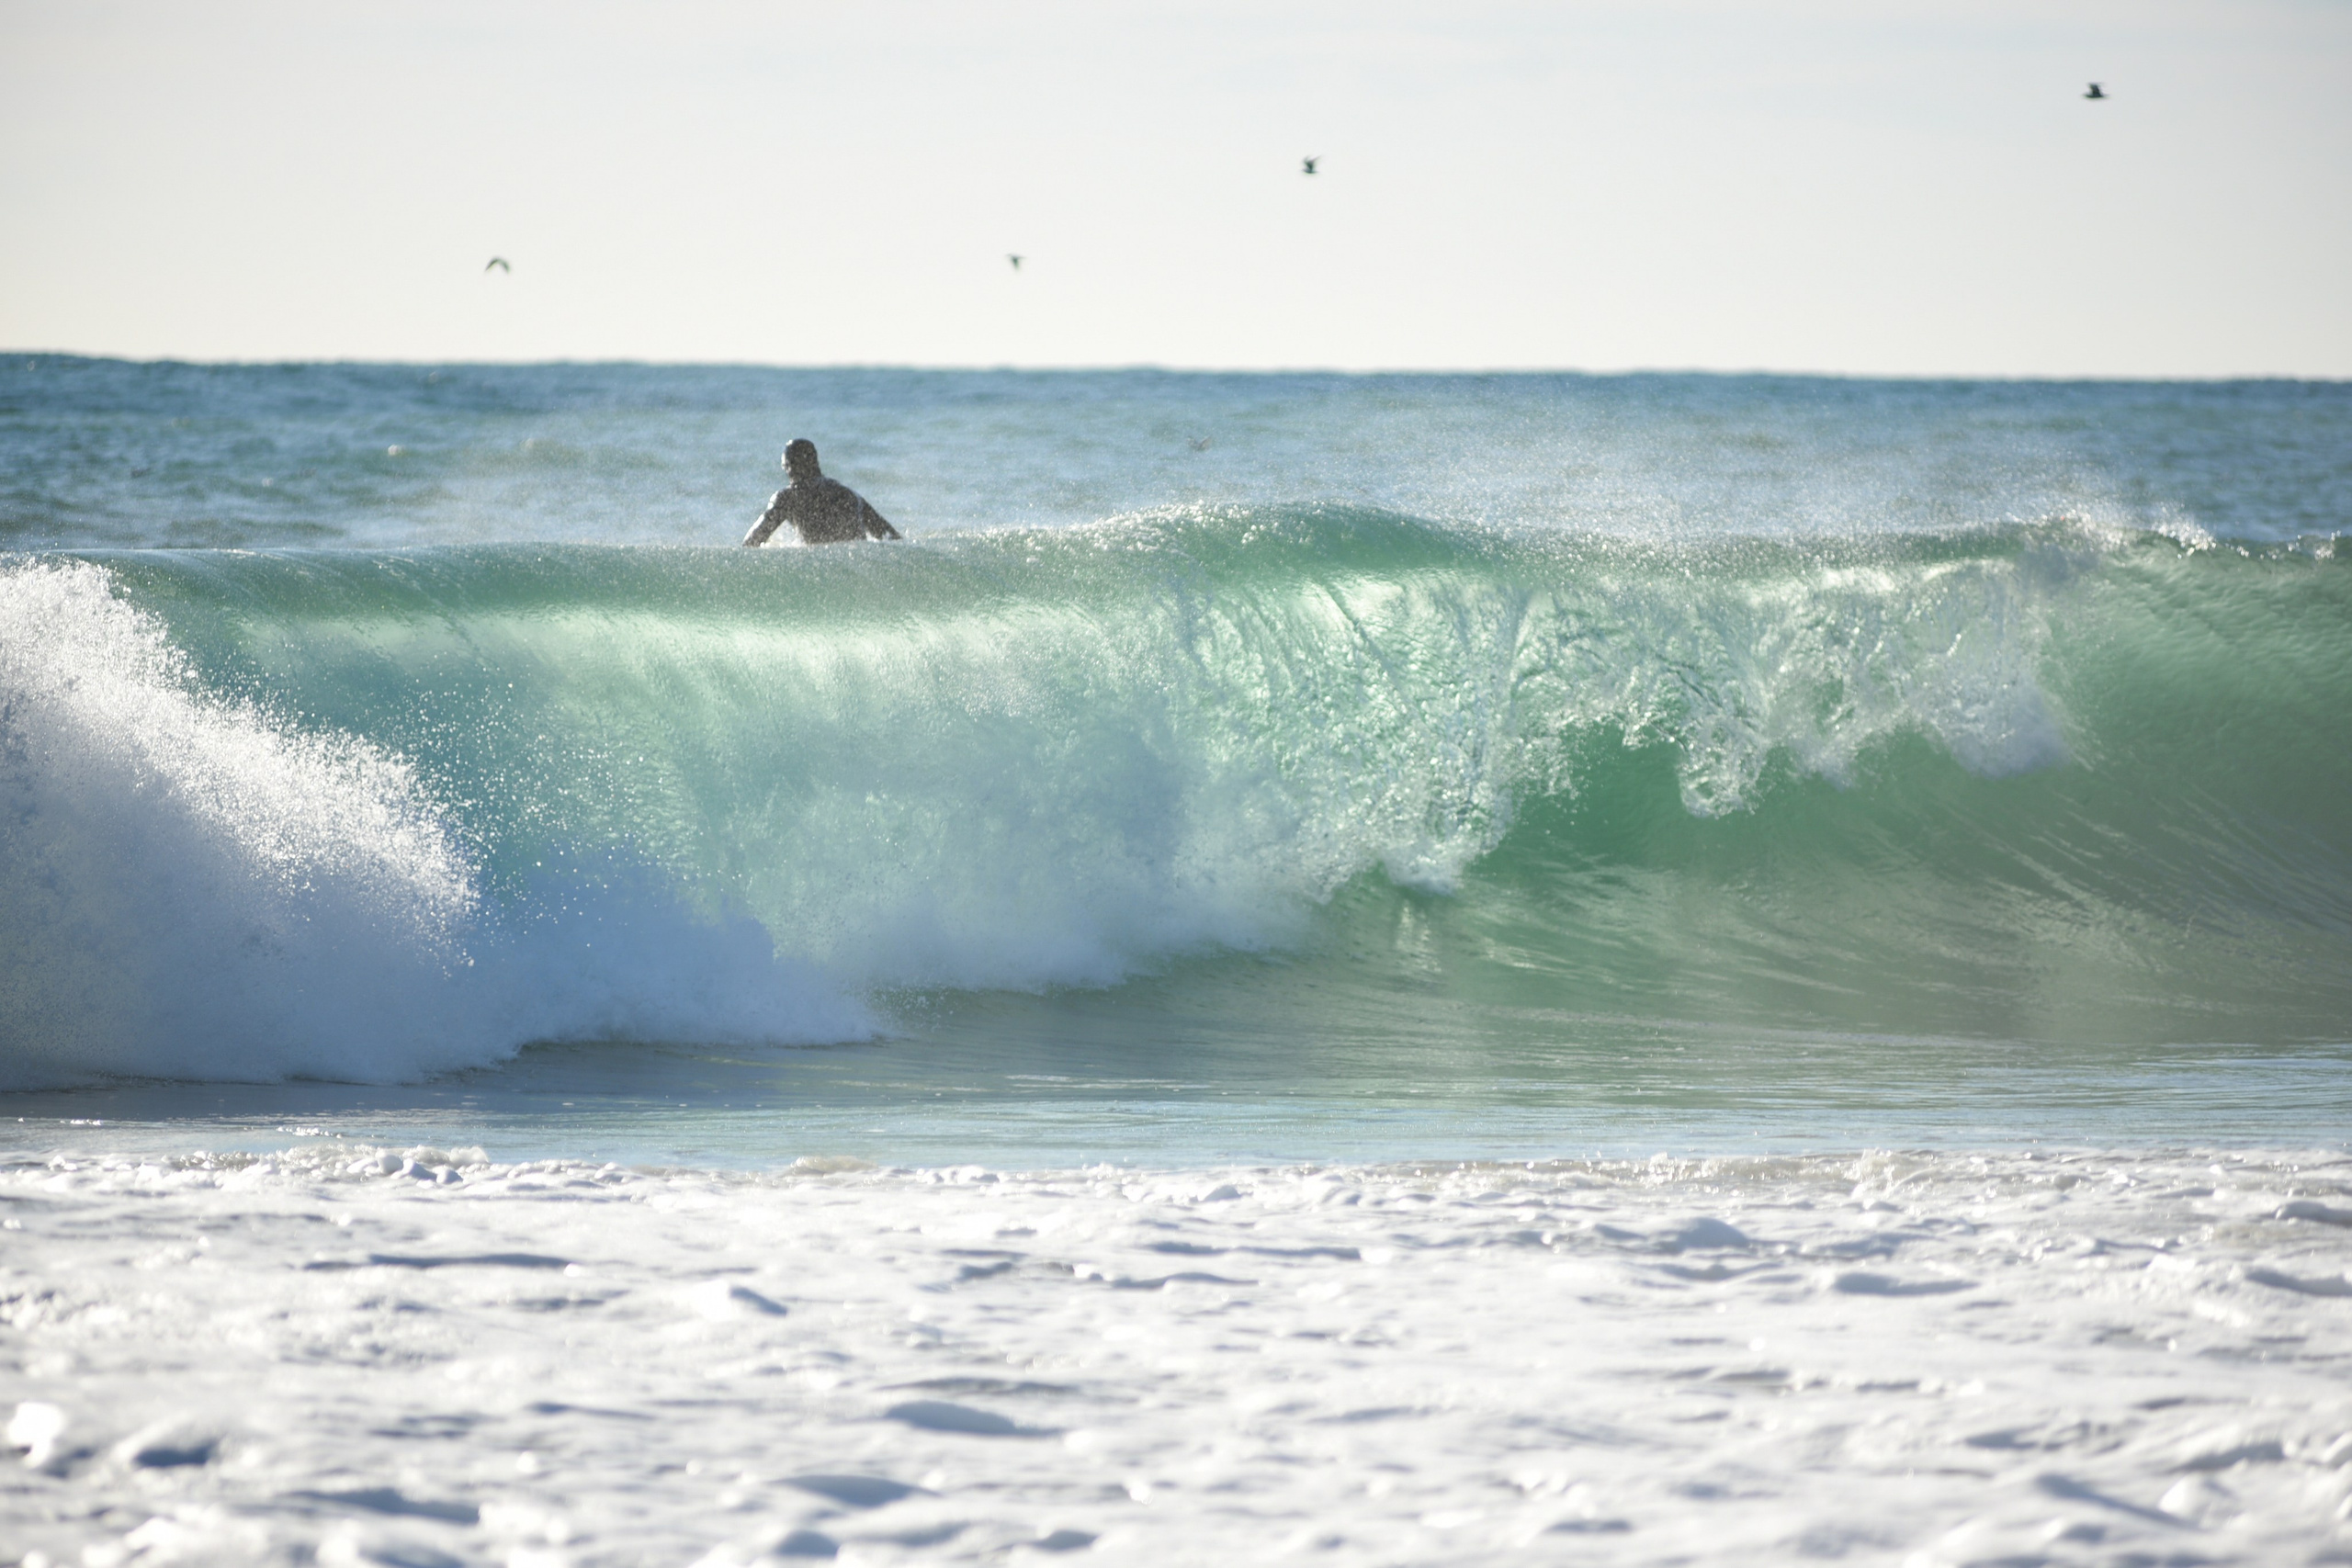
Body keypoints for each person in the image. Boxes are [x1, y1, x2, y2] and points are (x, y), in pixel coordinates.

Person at [742, 440, 903, 546]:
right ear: (815, 462)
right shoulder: (850, 495)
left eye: (785, 467)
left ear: (790, 466)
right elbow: (893, 539)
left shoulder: (789, 497)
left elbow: (752, 542)